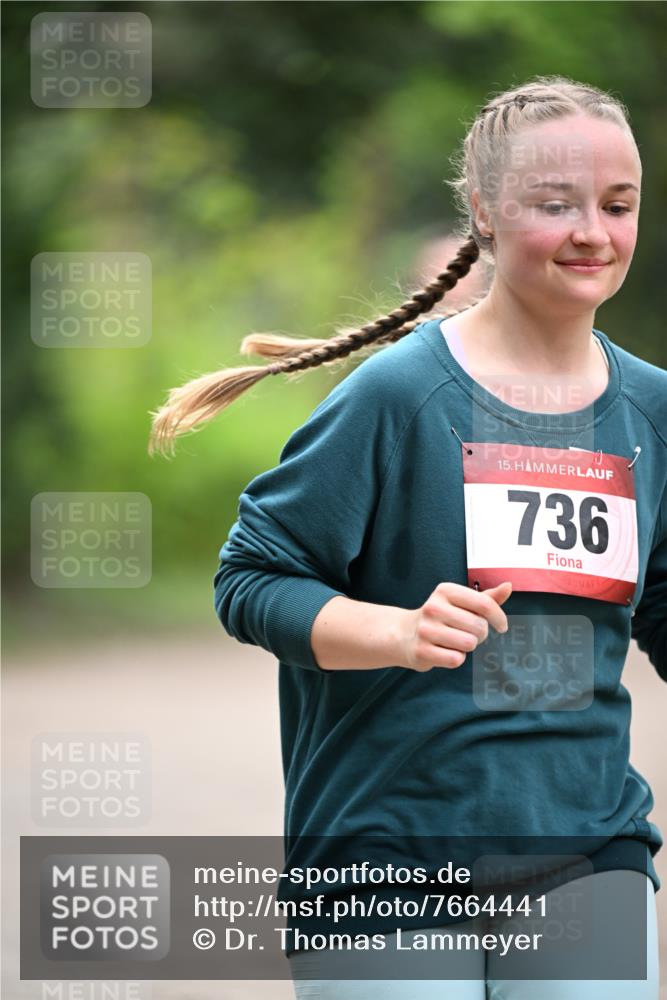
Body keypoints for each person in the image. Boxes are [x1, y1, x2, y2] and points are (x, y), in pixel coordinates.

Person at [148, 75, 665, 998]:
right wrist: (395, 631)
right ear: (485, 213)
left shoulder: (652, 409)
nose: (593, 231)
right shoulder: (397, 396)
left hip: (585, 845)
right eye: (556, 204)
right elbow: (252, 578)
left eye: (617, 205)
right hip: (387, 852)